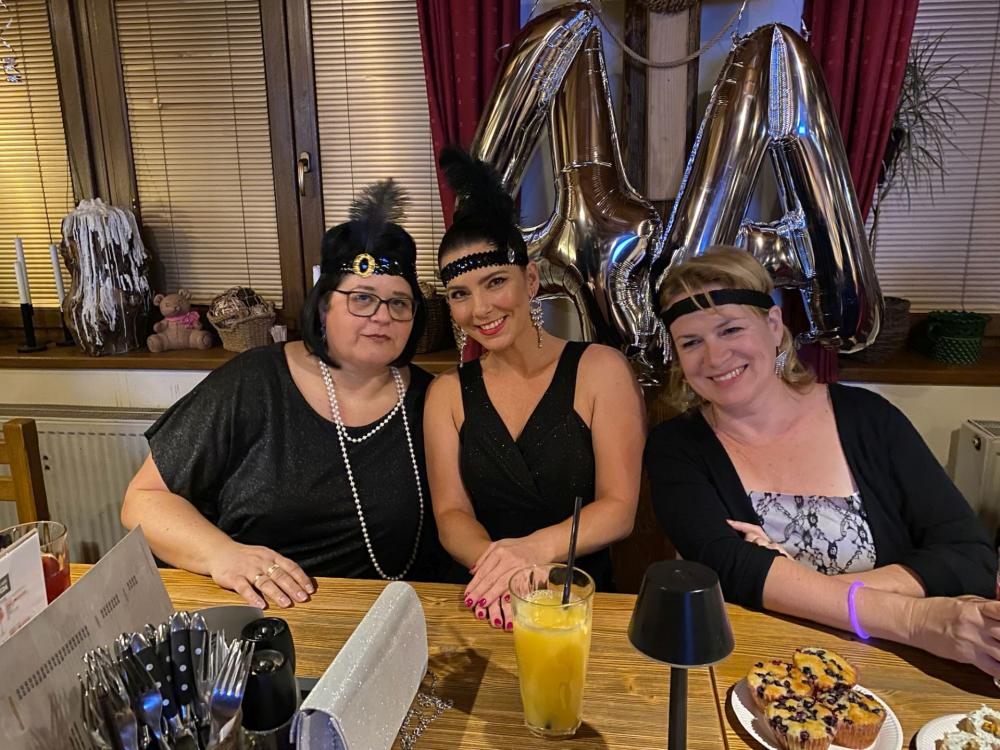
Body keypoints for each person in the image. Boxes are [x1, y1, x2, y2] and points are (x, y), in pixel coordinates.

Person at [645, 245, 1000, 676]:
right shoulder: (675, 448)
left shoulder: (870, 419)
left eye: (731, 330)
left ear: (773, 325)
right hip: (761, 668)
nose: (715, 357)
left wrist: (801, 588)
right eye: (691, 342)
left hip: (899, 666)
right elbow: (730, 571)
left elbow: (969, 557)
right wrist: (914, 618)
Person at [122, 181, 445, 608]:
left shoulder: (434, 400)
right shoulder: (254, 381)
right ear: (324, 306)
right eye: (362, 298)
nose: (382, 317)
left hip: (385, 616)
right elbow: (143, 501)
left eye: (399, 303)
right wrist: (223, 554)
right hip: (258, 615)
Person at [424, 148, 645, 630]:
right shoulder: (446, 393)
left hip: (576, 600)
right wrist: (499, 572)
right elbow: (451, 513)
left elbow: (618, 509)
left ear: (530, 280)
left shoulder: (599, 370)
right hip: (481, 597)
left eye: (495, 282)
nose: (480, 309)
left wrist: (529, 554)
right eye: (460, 294)